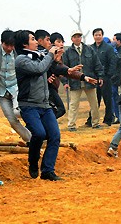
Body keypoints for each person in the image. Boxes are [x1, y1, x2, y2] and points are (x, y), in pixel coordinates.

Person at [15, 30, 90, 180]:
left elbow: (54, 68)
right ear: (24, 44)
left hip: (44, 104)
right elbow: (39, 69)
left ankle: (48, 170)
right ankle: (33, 161)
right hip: (28, 105)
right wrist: (50, 55)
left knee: (55, 136)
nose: (36, 42)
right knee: (40, 134)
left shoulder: (40, 56)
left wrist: (73, 72)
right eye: (32, 39)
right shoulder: (21, 60)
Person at [0, 30, 32, 142]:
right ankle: (30, 140)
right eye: (7, 45)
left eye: (12, 45)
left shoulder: (19, 53)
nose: (9, 48)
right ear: (2, 43)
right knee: (12, 120)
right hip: (0, 90)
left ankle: (37, 129)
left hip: (16, 87)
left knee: (18, 112)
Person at [63, 30, 104, 130]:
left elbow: (97, 64)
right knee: (74, 104)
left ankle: (95, 123)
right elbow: (64, 68)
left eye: (79, 36)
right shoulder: (67, 52)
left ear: (81, 38)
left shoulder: (89, 49)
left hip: (90, 81)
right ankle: (71, 125)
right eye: (75, 36)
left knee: (94, 103)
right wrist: (65, 82)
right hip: (75, 82)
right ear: (72, 39)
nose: (77, 38)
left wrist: (100, 77)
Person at [92, 28, 117, 125]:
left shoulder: (108, 48)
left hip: (106, 77)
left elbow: (112, 62)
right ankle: (92, 119)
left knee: (107, 99)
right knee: (94, 99)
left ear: (102, 36)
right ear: (93, 36)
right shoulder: (91, 48)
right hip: (94, 78)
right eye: (96, 35)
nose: (98, 37)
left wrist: (108, 75)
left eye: (99, 35)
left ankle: (108, 119)